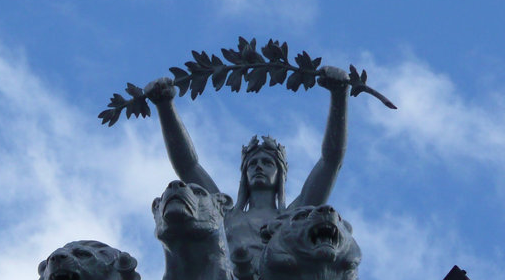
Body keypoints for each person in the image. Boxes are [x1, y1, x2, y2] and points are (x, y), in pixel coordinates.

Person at [144, 66, 350, 267]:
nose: (258, 167)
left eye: (268, 163)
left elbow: (331, 161)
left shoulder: (294, 215)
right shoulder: (224, 213)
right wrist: (165, 106)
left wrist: (340, 95)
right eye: (252, 164)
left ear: (281, 174)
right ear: (243, 174)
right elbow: (188, 166)